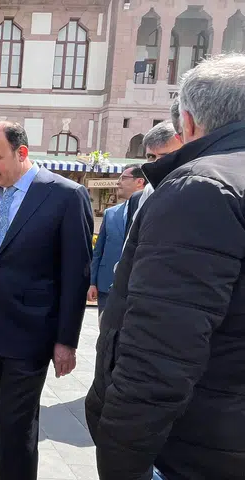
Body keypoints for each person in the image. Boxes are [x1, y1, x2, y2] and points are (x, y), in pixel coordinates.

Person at [86, 53, 245, 480]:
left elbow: (159, 356)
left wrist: (121, 463)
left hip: (200, 450)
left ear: (187, 123)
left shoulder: (203, 189)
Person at [0, 121, 93, 480]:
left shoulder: (66, 195)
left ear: (21, 152)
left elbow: (76, 275)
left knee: (16, 426)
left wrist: (66, 341)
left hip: (31, 334)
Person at [88, 164, 145, 313]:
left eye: (123, 178)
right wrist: (92, 282)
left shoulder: (150, 212)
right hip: (106, 286)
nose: (118, 182)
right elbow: (98, 251)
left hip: (135, 288)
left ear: (139, 182)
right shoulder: (110, 213)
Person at [125, 121, 183, 233]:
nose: (157, 162)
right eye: (151, 156)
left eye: (165, 157)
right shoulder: (140, 197)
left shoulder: (197, 192)